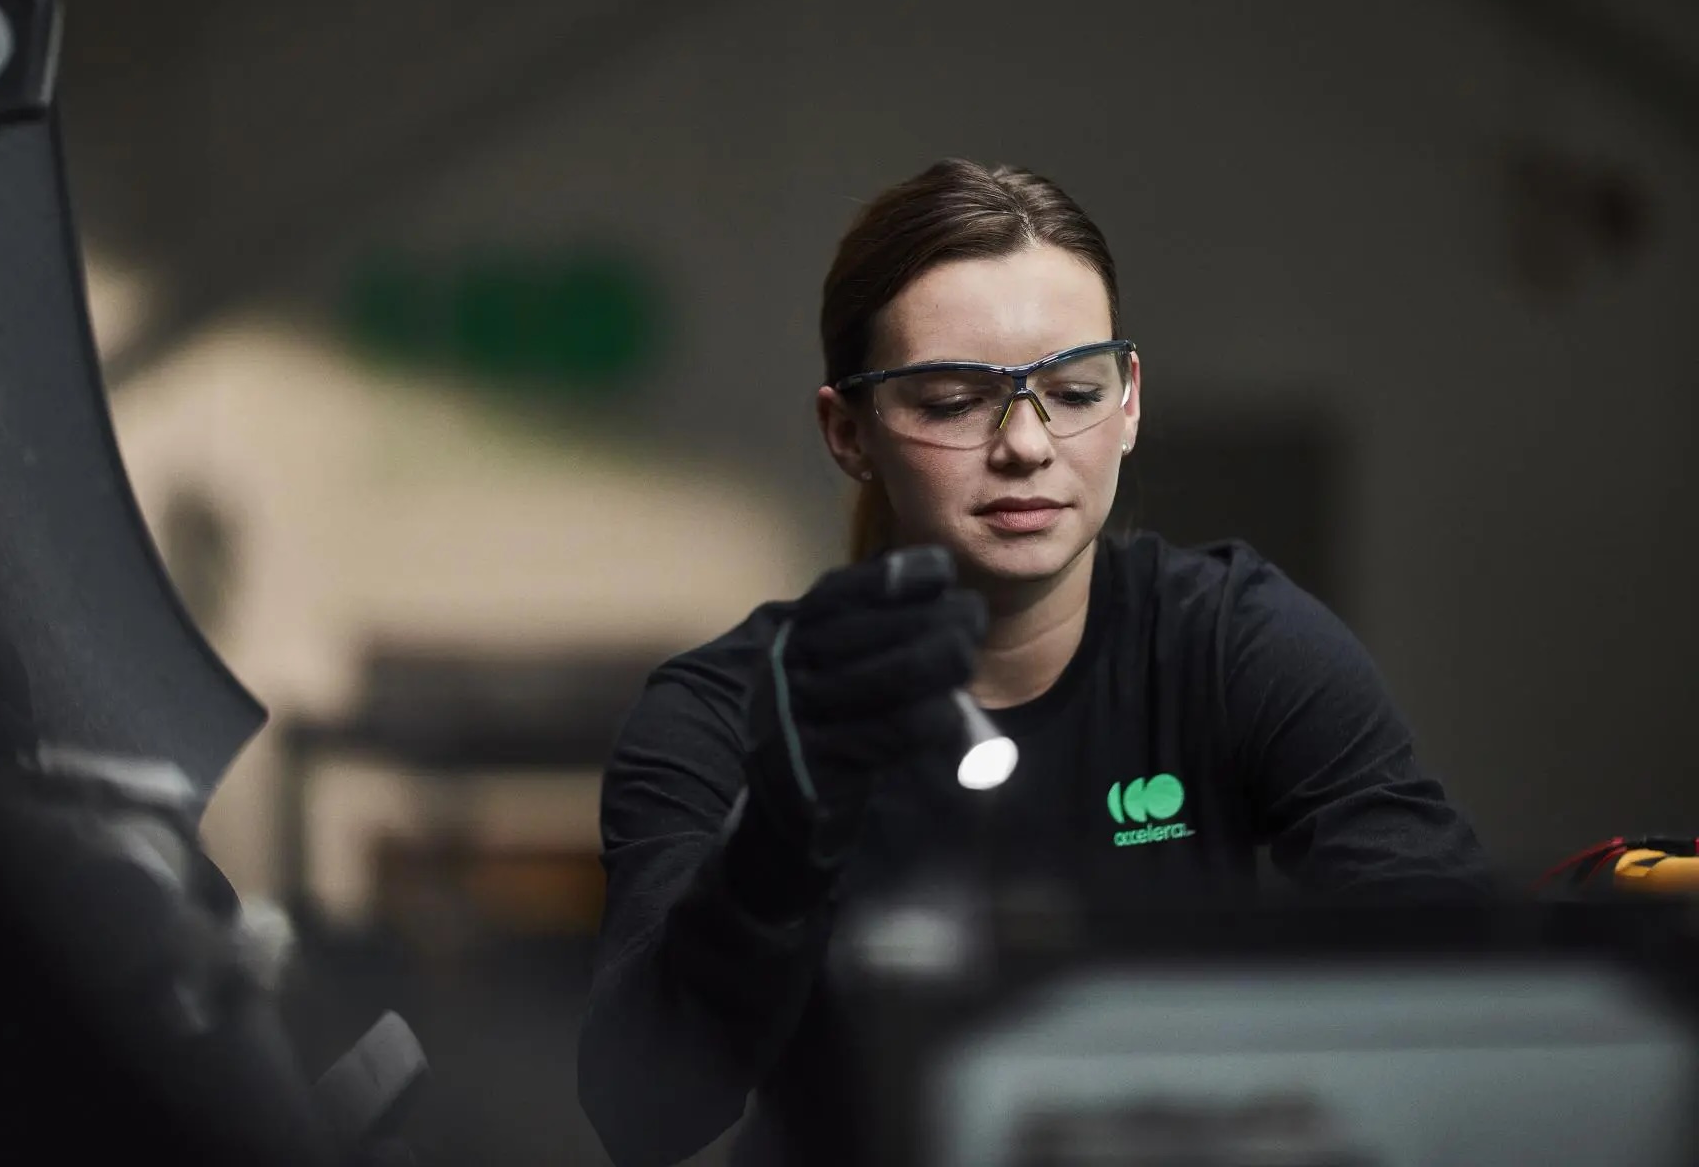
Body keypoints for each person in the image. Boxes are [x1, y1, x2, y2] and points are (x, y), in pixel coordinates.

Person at [576, 159, 1493, 1167]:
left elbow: (1455, 965)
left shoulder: (1230, 641)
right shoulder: (725, 713)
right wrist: (774, 847)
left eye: (1073, 391)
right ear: (850, 431)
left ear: (1131, 400)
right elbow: (643, 1112)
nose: (1026, 444)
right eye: (954, 400)